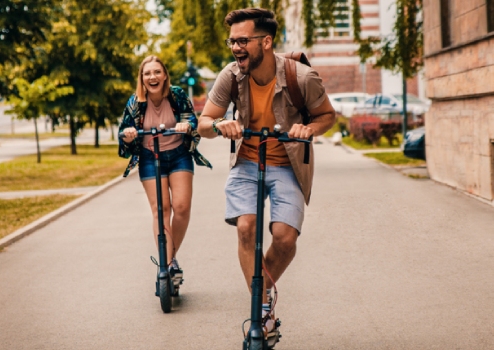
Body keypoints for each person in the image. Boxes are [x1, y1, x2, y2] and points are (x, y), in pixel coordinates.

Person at [198, 8, 336, 335]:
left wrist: (308, 129)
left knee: (285, 239)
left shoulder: (301, 77)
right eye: (232, 41)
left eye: (243, 40)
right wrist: (219, 125)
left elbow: (327, 116)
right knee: (246, 227)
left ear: (266, 41)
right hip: (247, 161)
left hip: (288, 163)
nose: (235, 47)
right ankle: (261, 311)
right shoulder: (230, 76)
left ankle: (262, 297)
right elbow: (203, 124)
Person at [118, 55, 212, 280]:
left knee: (181, 207)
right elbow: (123, 134)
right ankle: (168, 265)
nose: (153, 77)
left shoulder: (177, 95)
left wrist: (186, 125)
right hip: (151, 157)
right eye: (147, 73)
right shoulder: (135, 103)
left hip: (179, 155)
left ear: (165, 75)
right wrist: (129, 136)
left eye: (157, 72)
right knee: (161, 210)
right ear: (142, 78)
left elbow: (193, 121)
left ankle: (169, 258)